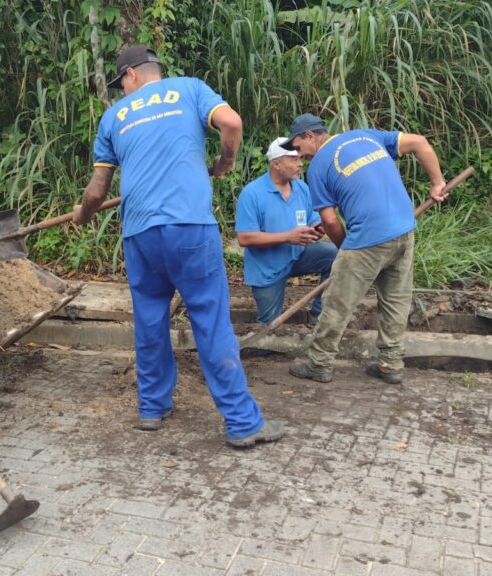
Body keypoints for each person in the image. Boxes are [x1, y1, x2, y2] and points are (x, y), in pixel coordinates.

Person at [72, 45, 286, 448]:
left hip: (140, 233)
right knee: (210, 319)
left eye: (121, 83)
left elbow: (97, 191)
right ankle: (242, 424)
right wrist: (225, 161)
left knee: (150, 320)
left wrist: (81, 215)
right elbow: (232, 123)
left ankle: (152, 407)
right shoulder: (188, 89)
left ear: (131, 75)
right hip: (188, 226)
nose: (122, 90)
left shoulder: (113, 117)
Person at [281, 113, 447, 385]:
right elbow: (420, 142)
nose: (300, 156)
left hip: (368, 237)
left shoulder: (320, 164)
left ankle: (319, 363)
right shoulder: (367, 135)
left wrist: (346, 251)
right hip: (404, 230)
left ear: (310, 136)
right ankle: (390, 363)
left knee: (337, 302)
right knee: (395, 300)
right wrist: (437, 182)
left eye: (298, 147)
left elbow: (330, 220)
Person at [235, 137, 338, 330]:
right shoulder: (252, 194)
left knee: (335, 256)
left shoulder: (301, 188)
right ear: (276, 163)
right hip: (268, 269)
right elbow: (244, 238)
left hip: (298, 256)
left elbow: (312, 218)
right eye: (293, 159)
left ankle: (319, 316)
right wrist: (288, 237)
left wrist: (318, 227)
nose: (300, 164)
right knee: (268, 332)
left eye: (300, 158)